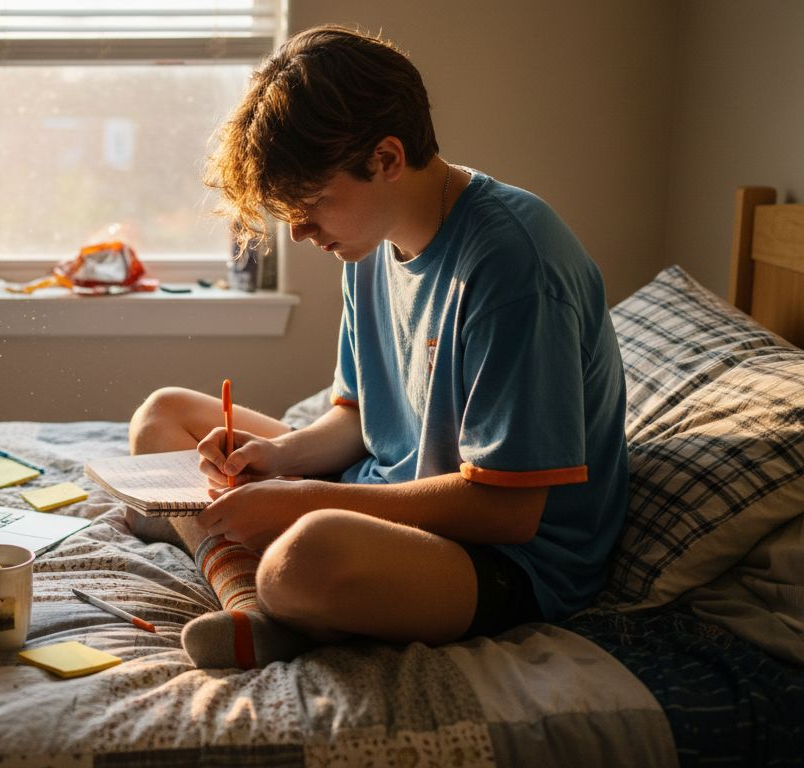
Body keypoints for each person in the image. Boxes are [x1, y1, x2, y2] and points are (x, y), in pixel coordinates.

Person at [128, 25, 629, 669]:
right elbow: (358, 416)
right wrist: (277, 457)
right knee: (163, 416)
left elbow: (509, 513)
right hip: (391, 491)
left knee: (306, 557)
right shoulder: (368, 243)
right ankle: (255, 605)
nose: (302, 233)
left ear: (387, 158)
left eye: (313, 204)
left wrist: (303, 500)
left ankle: (256, 581)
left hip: (504, 557)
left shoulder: (513, 265)